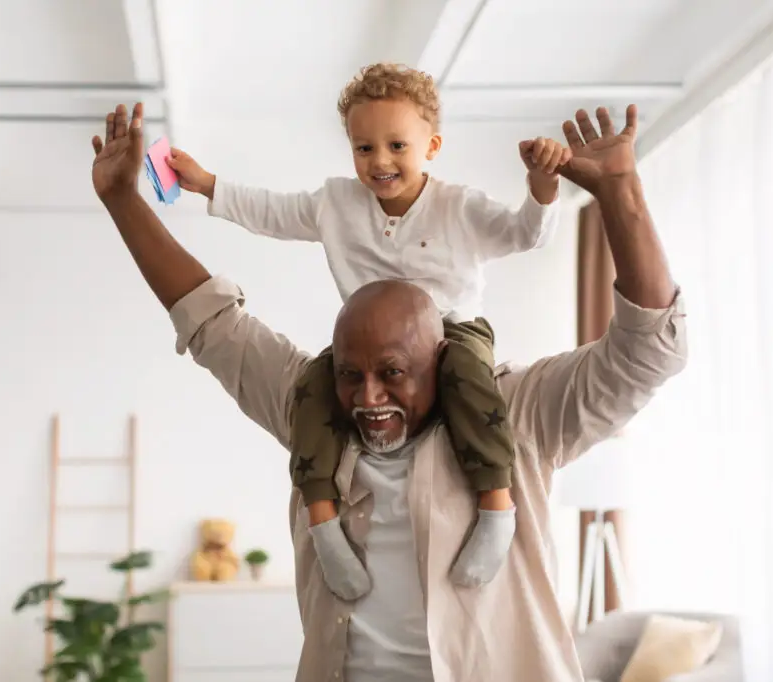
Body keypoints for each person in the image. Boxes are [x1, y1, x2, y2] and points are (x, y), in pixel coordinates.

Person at [90, 100, 687, 682]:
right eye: (351, 373)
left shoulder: (516, 411)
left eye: (394, 373)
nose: (367, 396)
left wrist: (620, 193)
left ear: (441, 360)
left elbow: (648, 350)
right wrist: (123, 202)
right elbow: (212, 323)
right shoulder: (313, 404)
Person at [163, 63, 573, 598]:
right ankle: (324, 524)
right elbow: (271, 212)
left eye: (397, 146)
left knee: (472, 380)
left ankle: (496, 507)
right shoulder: (336, 204)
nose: (379, 161)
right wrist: (205, 184)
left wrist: (542, 186)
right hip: (366, 342)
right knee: (312, 389)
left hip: (451, 330)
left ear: (432, 145)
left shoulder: (459, 207)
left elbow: (525, 234)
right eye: (364, 148)